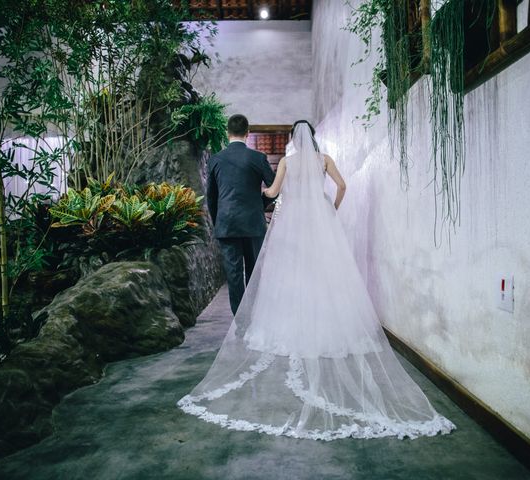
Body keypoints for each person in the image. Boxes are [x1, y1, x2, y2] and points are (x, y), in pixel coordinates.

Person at [178, 121, 455, 441]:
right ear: (313, 137)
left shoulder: (286, 162)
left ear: (294, 141)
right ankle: (326, 325)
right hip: (322, 221)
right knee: (325, 273)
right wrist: (331, 209)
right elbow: (342, 187)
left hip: (292, 224)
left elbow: (272, 191)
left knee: (291, 276)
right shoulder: (324, 160)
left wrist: (259, 192)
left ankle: (290, 323)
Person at [206, 114, 275, 315]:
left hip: (226, 225)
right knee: (254, 274)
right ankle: (253, 318)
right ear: (248, 132)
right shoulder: (258, 158)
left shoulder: (215, 159)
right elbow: (274, 188)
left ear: (228, 133)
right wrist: (259, 204)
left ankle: (240, 324)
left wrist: (217, 221)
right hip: (253, 224)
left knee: (234, 275)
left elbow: (211, 197)